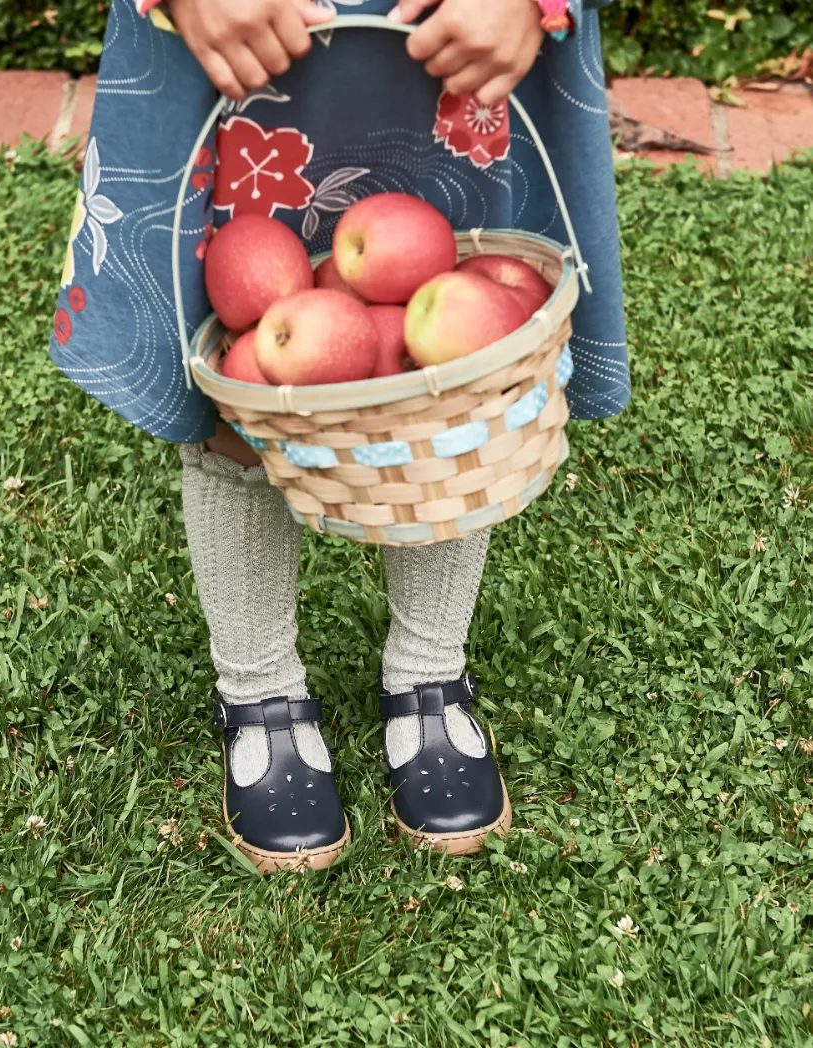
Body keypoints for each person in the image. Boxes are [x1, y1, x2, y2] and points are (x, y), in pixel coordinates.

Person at [49, 0, 630, 871]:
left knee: (446, 391)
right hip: (237, 40)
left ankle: (430, 672)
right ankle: (258, 694)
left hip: (454, 47)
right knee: (245, 363)